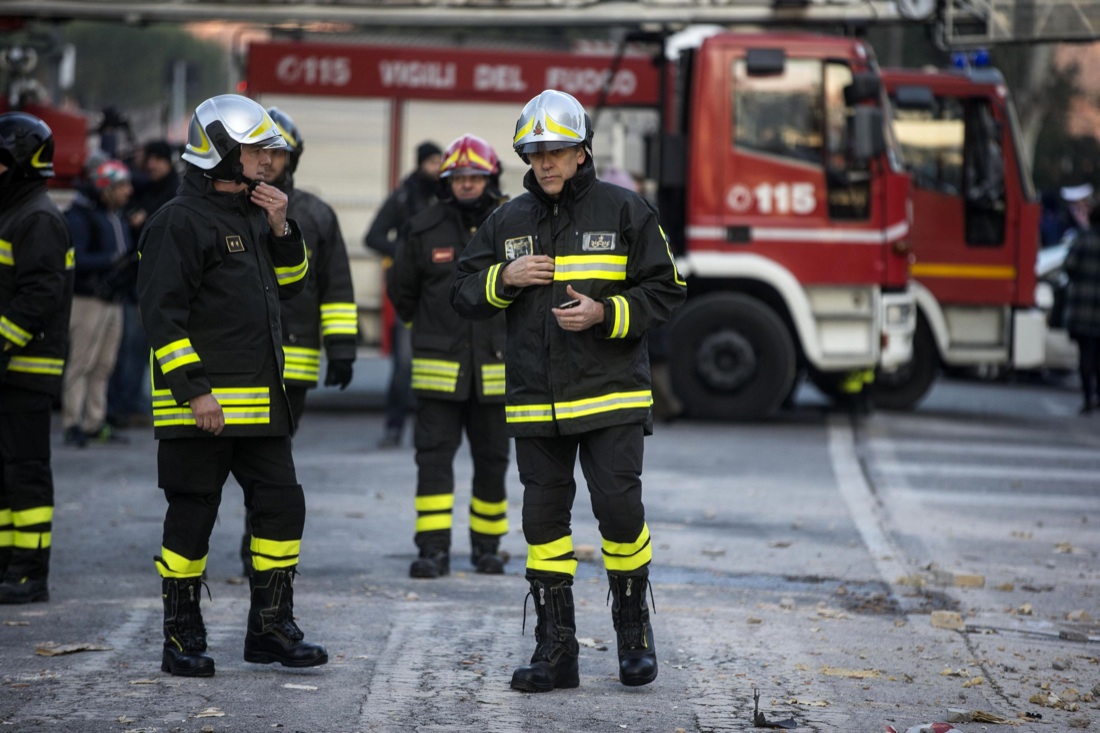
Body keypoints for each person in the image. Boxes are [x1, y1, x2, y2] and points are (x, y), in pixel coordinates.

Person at [451, 90, 686, 691]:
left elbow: (667, 290)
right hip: (535, 400)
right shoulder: (506, 221)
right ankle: (556, 651)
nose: (546, 163)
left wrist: (606, 314)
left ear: (582, 152)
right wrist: (501, 278)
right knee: (542, 522)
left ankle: (632, 633)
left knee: (619, 511)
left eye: (557, 151)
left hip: (610, 397)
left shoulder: (627, 210)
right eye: (535, 153)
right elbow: (458, 291)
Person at [137, 94, 327, 677]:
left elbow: (292, 286)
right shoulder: (178, 222)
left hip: (261, 404)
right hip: (203, 407)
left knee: (281, 507)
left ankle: (270, 628)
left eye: (268, 150)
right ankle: (181, 635)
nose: (267, 160)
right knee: (192, 517)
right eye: (255, 150)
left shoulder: (253, 212)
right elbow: (160, 315)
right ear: (221, 152)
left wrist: (280, 226)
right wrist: (194, 391)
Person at [230, 107, 358, 576]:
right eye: (260, 151)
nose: (269, 162)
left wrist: (342, 348)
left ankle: (256, 543)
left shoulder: (315, 215)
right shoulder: (228, 208)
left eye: (277, 153)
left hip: (294, 362)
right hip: (236, 360)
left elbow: (337, 286)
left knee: (272, 461)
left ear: (292, 159)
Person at [388, 134, 510, 579]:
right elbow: (401, 291)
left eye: (474, 176)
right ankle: (433, 549)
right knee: (433, 461)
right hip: (439, 372)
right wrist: (433, 331)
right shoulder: (423, 228)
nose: (466, 184)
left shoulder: (511, 224)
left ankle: (487, 548)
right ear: (447, 181)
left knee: (493, 461)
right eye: (458, 177)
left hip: (496, 371)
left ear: (490, 177)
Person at [0, 112, 74, 604]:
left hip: (27, 368)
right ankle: (9, 563)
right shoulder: (15, 212)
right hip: (9, 366)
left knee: (25, 472)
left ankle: (30, 572)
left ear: (19, 163)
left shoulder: (37, 218)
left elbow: (38, 295)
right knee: (6, 475)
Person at [364, 140, 442, 448]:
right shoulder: (403, 197)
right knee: (405, 364)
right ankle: (394, 426)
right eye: (432, 162)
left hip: (440, 293)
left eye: (440, 161)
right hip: (410, 293)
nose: (437, 168)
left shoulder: (446, 195)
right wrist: (406, 253)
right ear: (421, 163)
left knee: (439, 364)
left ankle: (433, 430)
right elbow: (373, 237)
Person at [61, 159, 134, 447]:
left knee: (104, 364)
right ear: (107, 188)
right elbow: (75, 258)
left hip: (112, 300)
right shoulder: (81, 216)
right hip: (87, 300)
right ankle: (72, 423)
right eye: (122, 186)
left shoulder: (115, 214)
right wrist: (112, 262)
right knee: (81, 362)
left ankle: (94, 421)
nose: (128, 191)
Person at [108, 140, 181, 430]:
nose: (148, 165)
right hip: (139, 279)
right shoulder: (151, 186)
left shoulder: (171, 192)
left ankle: (133, 405)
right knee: (131, 348)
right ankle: (129, 404)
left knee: (138, 346)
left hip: (151, 281)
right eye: (146, 160)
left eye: (154, 160)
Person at [1062, 192, 1100, 415]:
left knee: (1086, 354)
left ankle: (1088, 397)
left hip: (1083, 308)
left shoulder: (1083, 240)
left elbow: (1069, 266)